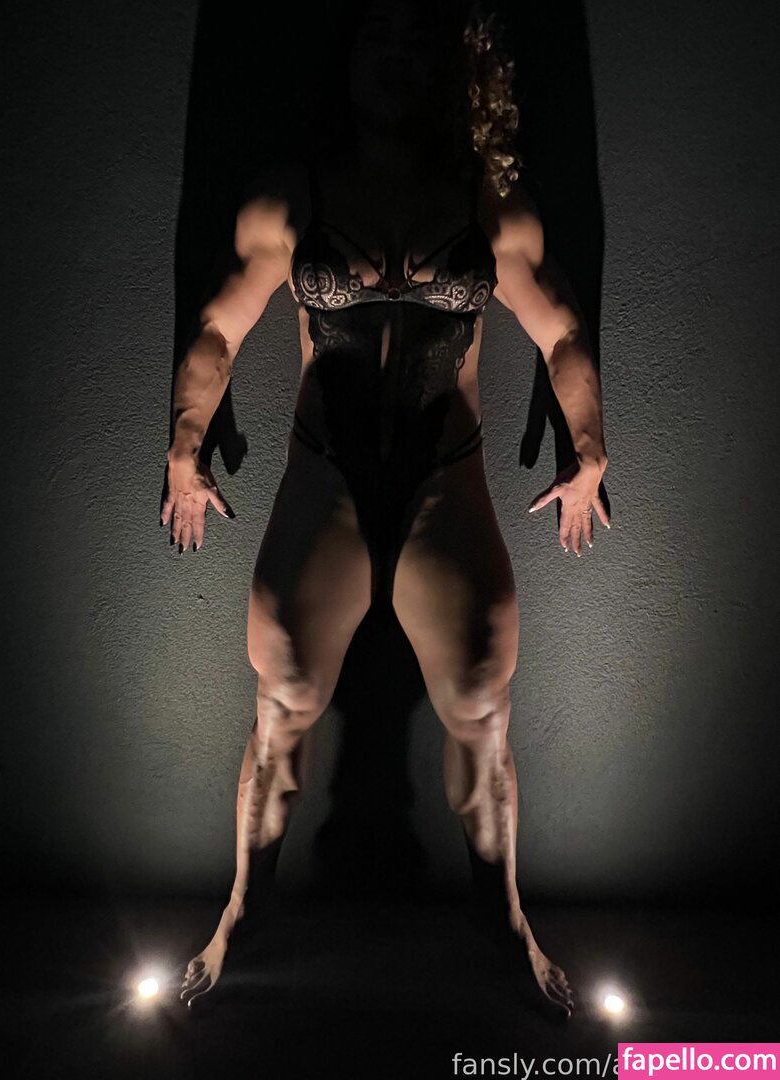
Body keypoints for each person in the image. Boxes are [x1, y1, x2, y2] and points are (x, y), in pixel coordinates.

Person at [164, 1, 609, 1018]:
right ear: (348, 60)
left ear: (446, 70)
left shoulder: (490, 201)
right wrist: (184, 445)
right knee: (282, 698)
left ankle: (504, 919)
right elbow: (218, 330)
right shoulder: (295, 197)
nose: (397, 61)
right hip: (327, 472)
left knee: (482, 704)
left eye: (419, 44)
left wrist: (590, 451)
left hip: (441, 474)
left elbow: (562, 333)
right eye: (378, 39)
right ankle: (242, 911)